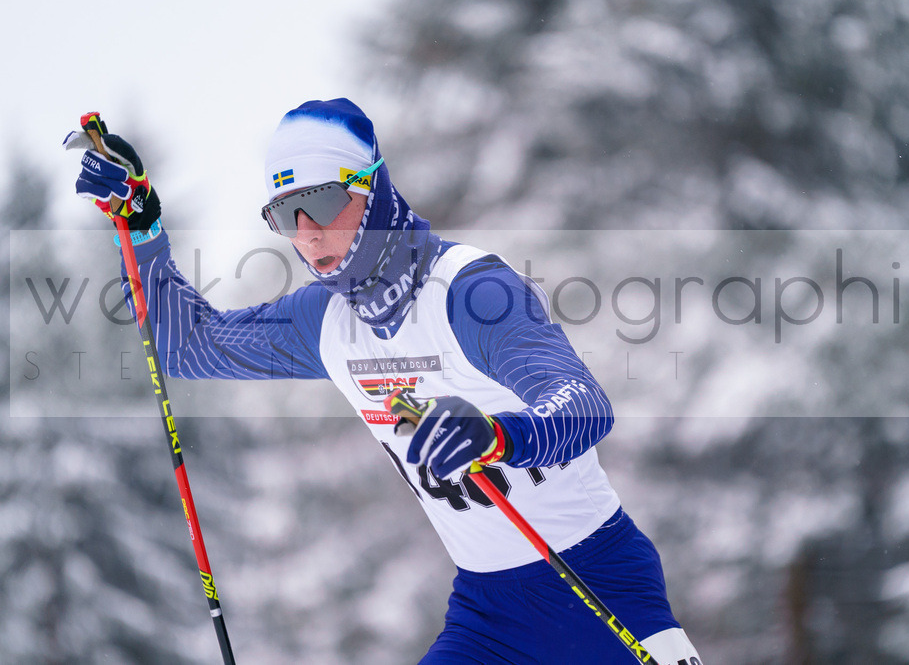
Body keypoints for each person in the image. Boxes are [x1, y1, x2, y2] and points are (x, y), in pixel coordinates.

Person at [66, 98, 703, 664]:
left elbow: (585, 406)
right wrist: (143, 228)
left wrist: (497, 436)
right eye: (285, 215)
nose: (308, 234)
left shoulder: (472, 292)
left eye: (319, 202)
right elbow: (188, 346)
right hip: (489, 615)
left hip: (595, 582)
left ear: (372, 191)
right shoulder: (327, 320)